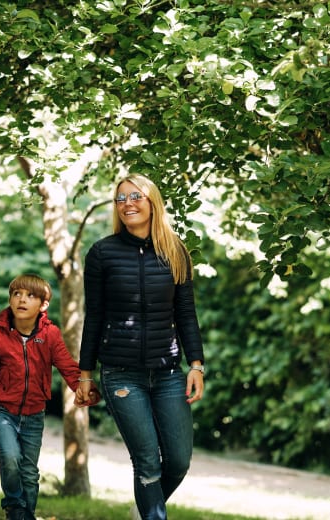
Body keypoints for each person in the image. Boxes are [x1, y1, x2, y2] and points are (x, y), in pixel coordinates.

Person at [77, 174, 205, 520]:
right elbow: (95, 315)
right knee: (147, 461)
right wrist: (85, 374)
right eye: (120, 199)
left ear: (152, 201)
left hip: (168, 373)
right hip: (121, 375)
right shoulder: (102, 253)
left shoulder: (175, 251)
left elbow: (186, 314)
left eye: (136, 196)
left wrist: (196, 365)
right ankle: (153, 514)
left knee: (178, 460)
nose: (127, 203)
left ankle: (146, 509)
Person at [0, 273, 100, 520]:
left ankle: (24, 515)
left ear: (43, 305)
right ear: (10, 299)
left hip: (34, 414)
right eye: (16, 294)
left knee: (29, 473)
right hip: (3, 411)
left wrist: (86, 390)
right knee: (10, 457)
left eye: (30, 296)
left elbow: (67, 367)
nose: (22, 299)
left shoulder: (50, 335)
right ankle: (15, 507)